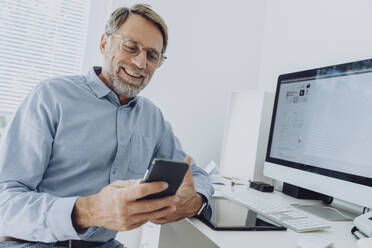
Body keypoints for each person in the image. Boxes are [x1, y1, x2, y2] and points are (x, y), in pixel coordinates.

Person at [0, 4, 213, 248]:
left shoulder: (151, 117)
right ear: (104, 43)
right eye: (131, 47)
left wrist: (195, 199)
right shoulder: (50, 97)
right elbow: (5, 202)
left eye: (152, 56)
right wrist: (91, 211)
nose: (141, 63)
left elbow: (195, 176)